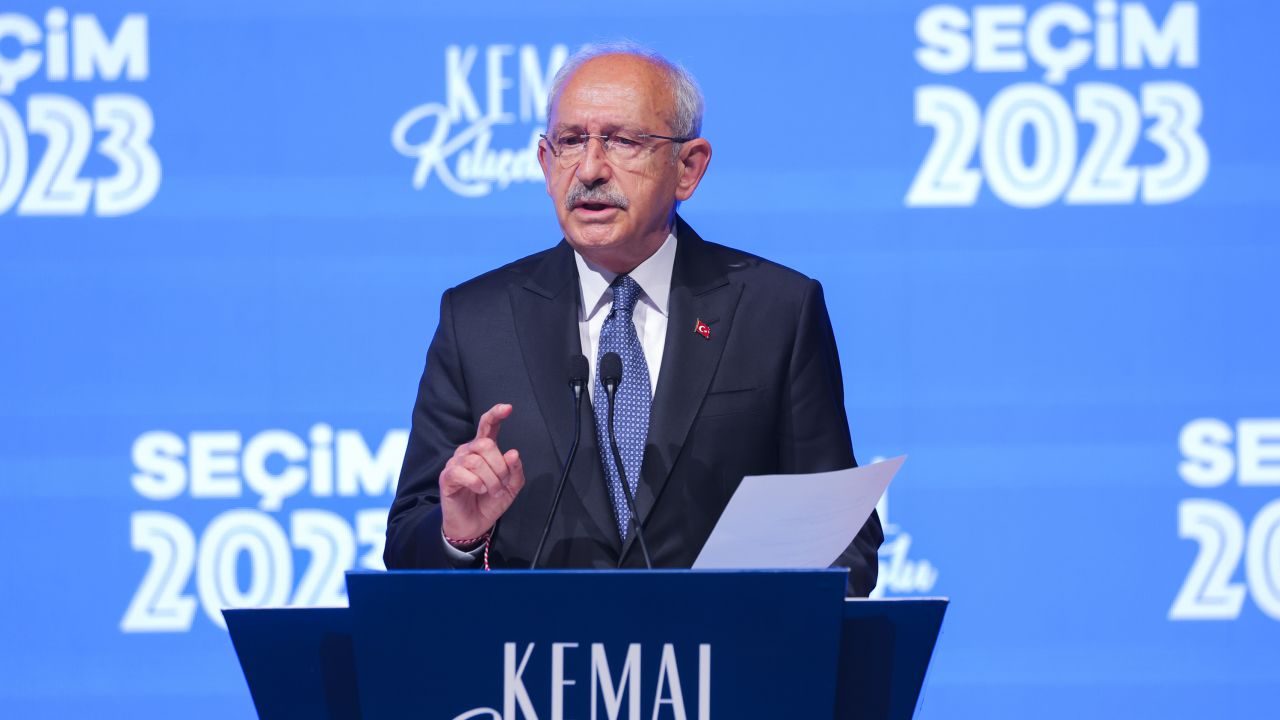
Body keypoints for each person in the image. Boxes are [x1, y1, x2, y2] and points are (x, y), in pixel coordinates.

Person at [384, 41, 883, 596]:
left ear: (688, 169)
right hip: (535, 671)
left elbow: (844, 540)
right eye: (571, 142)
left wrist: (763, 615)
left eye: (624, 142)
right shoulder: (476, 319)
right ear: (546, 163)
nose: (591, 169)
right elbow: (407, 541)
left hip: (716, 668)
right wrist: (459, 534)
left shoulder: (776, 311)